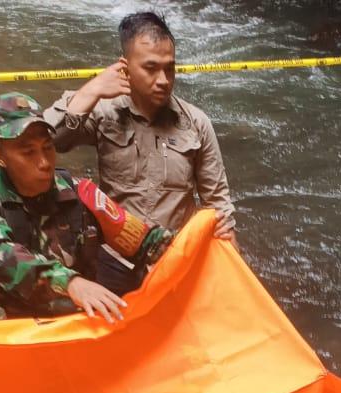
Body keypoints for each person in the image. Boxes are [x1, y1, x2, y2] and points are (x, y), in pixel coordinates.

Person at [43, 10, 236, 294]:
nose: (163, 80)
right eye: (151, 68)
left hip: (176, 257)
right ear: (125, 67)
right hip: (114, 259)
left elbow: (217, 201)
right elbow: (48, 140)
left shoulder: (195, 123)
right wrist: (90, 91)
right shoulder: (104, 112)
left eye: (169, 68)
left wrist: (230, 261)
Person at [0, 94, 172, 320]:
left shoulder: (81, 192)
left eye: (48, 147)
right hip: (25, 326)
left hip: (83, 318)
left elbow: (146, 243)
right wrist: (71, 283)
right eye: (28, 152)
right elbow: (0, 256)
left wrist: (202, 235)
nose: (44, 163)